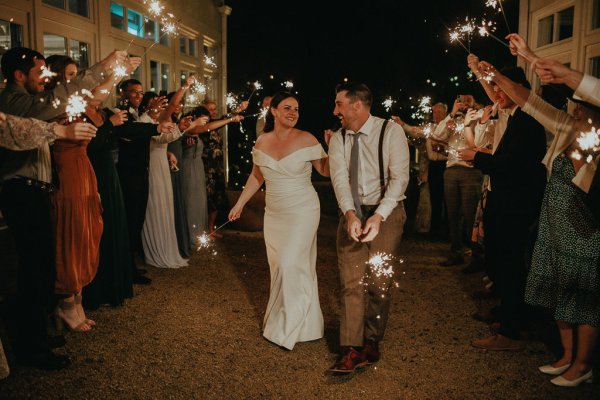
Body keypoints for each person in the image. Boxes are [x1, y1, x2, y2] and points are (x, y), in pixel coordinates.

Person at [0, 46, 124, 370]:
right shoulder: (14, 101)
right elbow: (58, 100)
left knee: (41, 267)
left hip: (36, 188)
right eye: (39, 72)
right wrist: (104, 67)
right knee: (33, 269)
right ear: (18, 75)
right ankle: (31, 348)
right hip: (20, 190)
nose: (46, 78)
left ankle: (37, 336)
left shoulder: (28, 101)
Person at [229, 91, 329, 350]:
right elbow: (256, 176)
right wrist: (240, 203)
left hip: (303, 210)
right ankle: (305, 324)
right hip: (275, 214)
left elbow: (326, 170)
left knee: (288, 264)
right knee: (282, 268)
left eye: (296, 108)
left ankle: (288, 327)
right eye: (287, 107)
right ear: (273, 110)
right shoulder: (262, 141)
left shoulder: (307, 138)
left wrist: (336, 148)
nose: (293, 113)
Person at [459, 65, 547, 352]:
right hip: (501, 196)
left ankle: (510, 330)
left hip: (517, 202)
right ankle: (507, 311)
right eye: (494, 88)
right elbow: (505, 156)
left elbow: (513, 165)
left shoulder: (529, 121)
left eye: (502, 87)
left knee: (510, 264)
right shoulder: (510, 115)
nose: (496, 93)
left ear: (518, 89)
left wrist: (478, 158)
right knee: (497, 259)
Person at [328, 82, 409, 373]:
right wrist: (350, 214)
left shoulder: (391, 131)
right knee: (350, 282)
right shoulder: (338, 138)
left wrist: (378, 216)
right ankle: (352, 348)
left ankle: (372, 340)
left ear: (357, 105)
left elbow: (400, 179)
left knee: (378, 282)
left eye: (339, 104)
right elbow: (338, 178)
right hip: (353, 211)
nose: (334, 110)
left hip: (386, 213)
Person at [45, 56, 105, 332]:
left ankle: (77, 297)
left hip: (83, 172)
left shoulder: (77, 103)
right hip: (66, 174)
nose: (73, 79)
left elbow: (96, 106)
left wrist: (114, 75)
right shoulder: (52, 107)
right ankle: (66, 303)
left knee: (87, 233)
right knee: (70, 234)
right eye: (69, 75)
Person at [200, 99, 246, 237]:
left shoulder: (216, 123)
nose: (214, 112)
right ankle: (204, 228)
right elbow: (220, 122)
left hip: (217, 167)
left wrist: (238, 109)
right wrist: (232, 117)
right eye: (210, 109)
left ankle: (211, 228)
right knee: (208, 198)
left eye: (215, 109)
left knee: (218, 196)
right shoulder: (203, 126)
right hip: (206, 168)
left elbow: (225, 118)